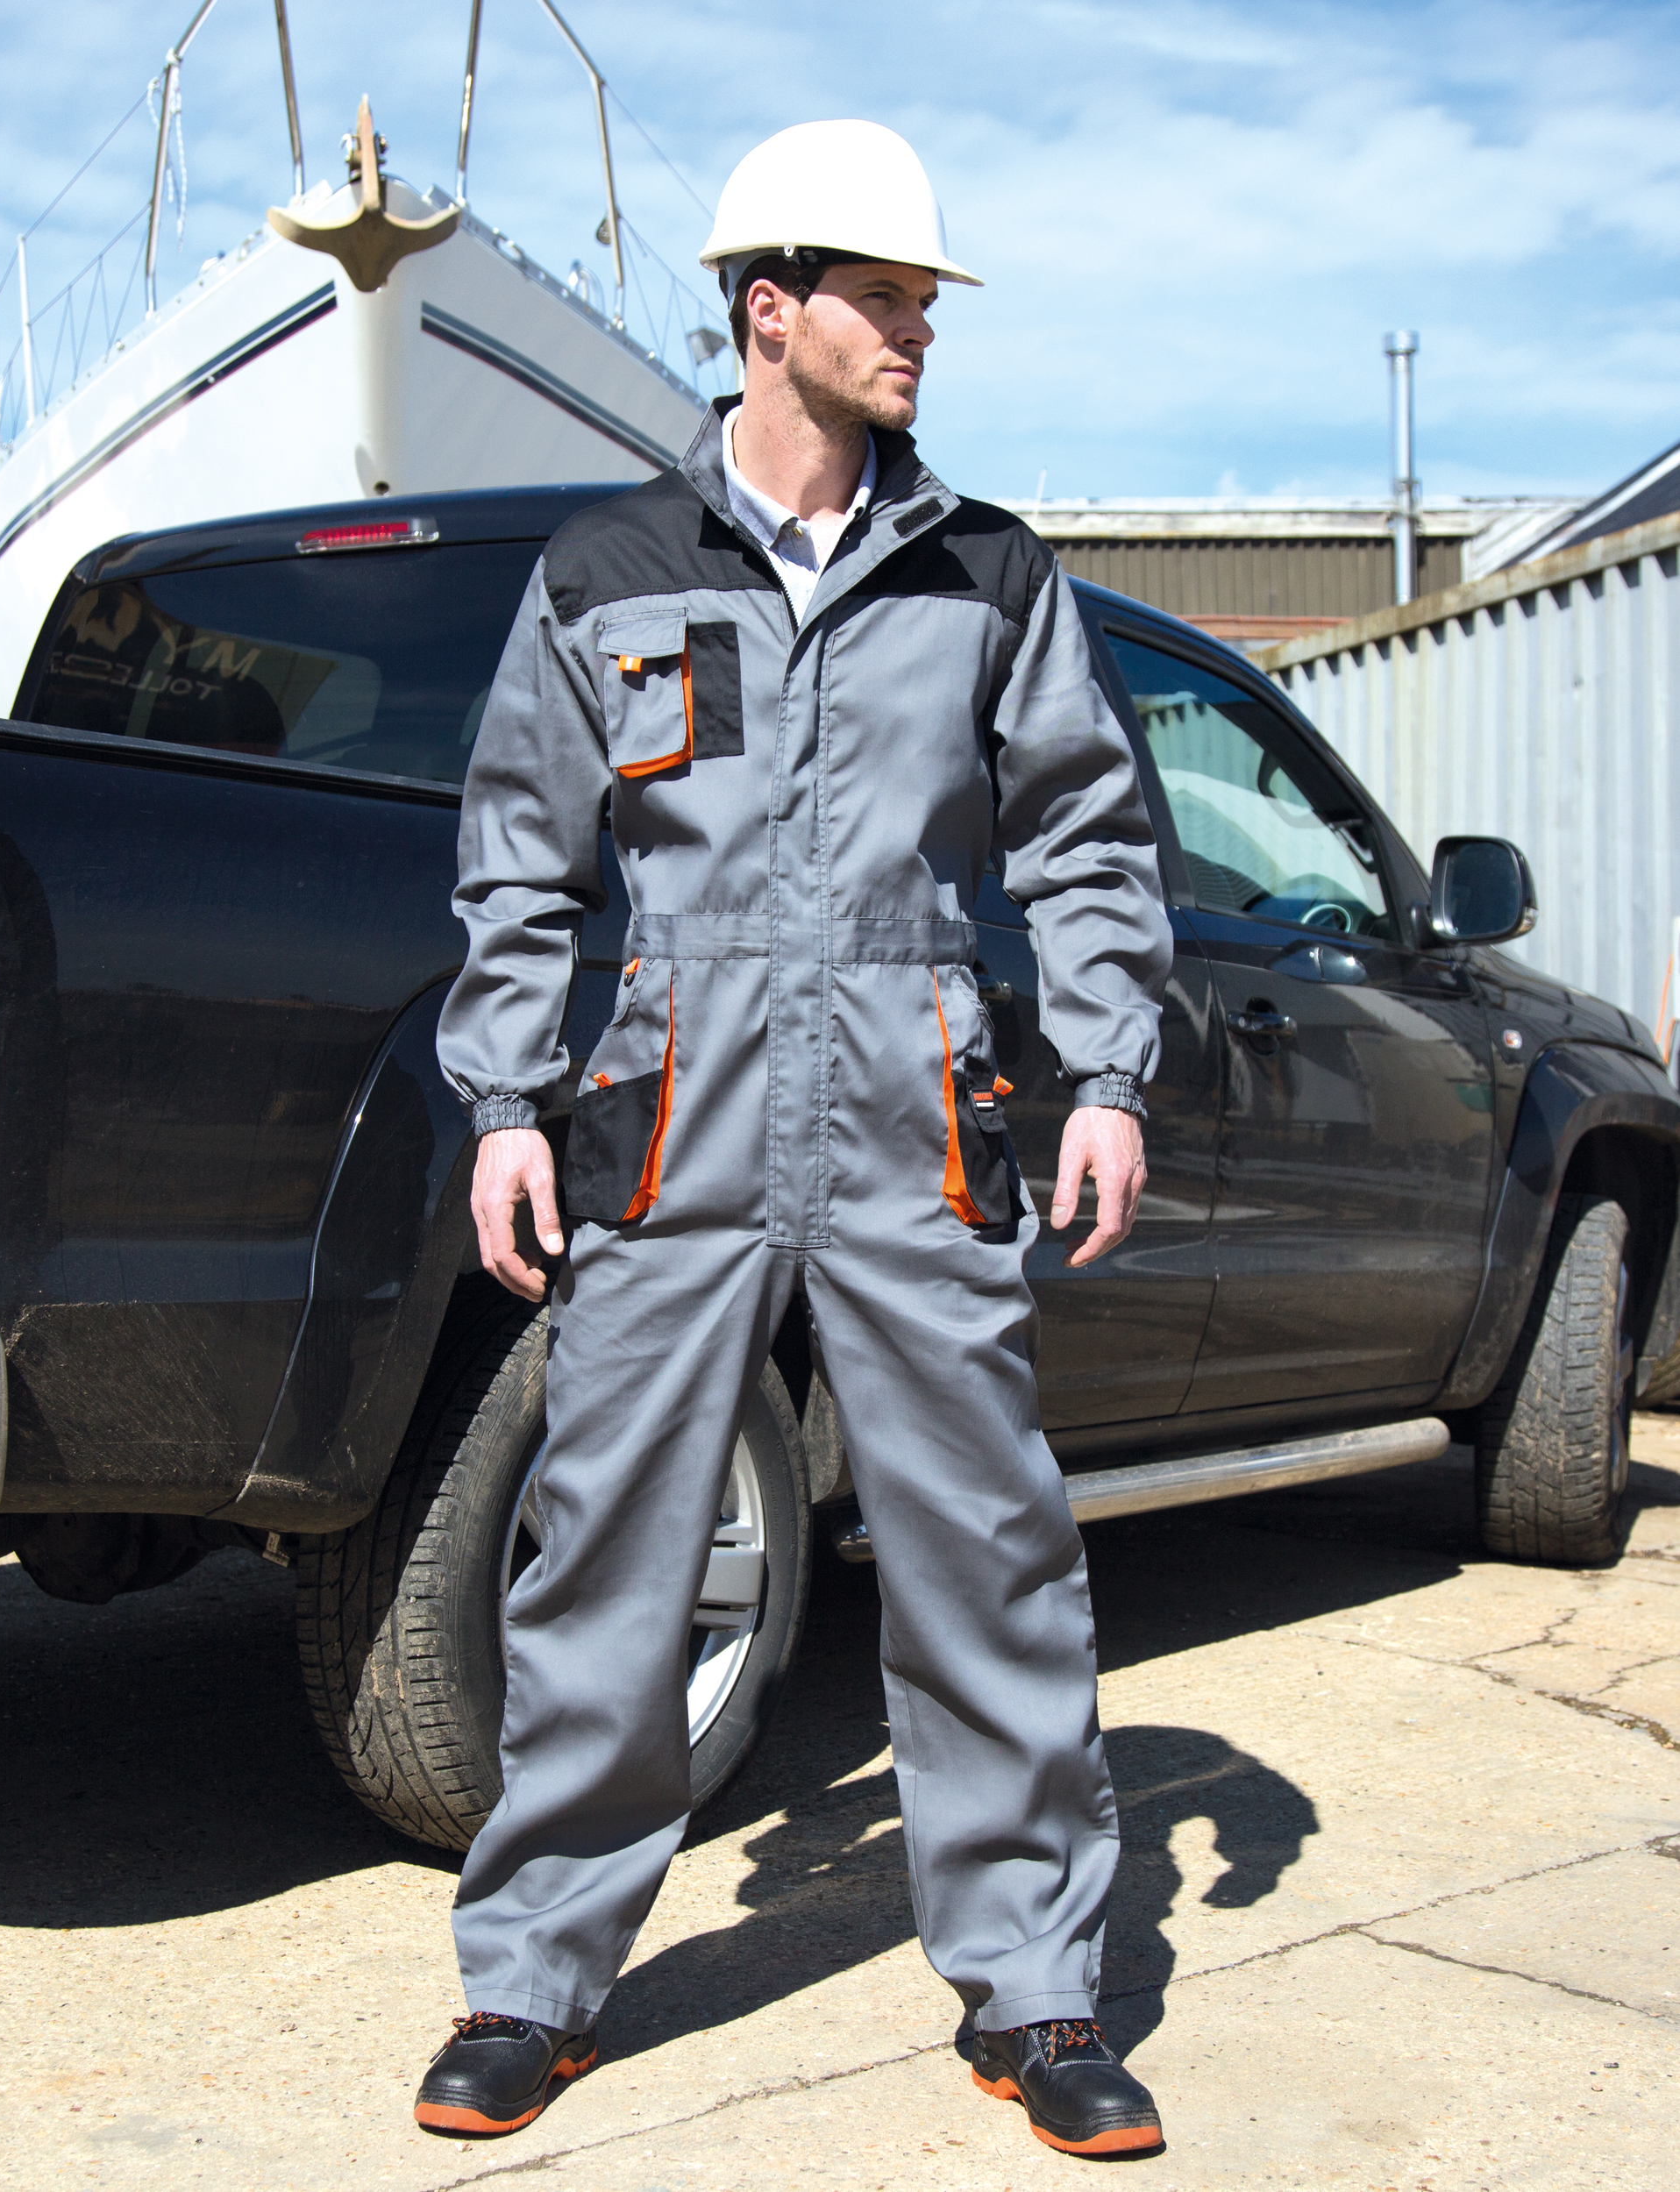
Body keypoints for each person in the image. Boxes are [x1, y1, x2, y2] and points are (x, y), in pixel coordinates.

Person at [416, 118, 1174, 2160]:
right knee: (606, 1544)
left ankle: (1036, 1983)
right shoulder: (608, 571)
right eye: (888, 299)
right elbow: (521, 859)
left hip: (924, 1110)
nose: (921, 332)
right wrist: (504, 1102)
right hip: (673, 1111)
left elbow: (1087, 836)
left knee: (988, 1547)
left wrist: (1107, 1072)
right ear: (774, 310)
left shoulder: (988, 573)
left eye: (926, 302)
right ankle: (531, 1978)